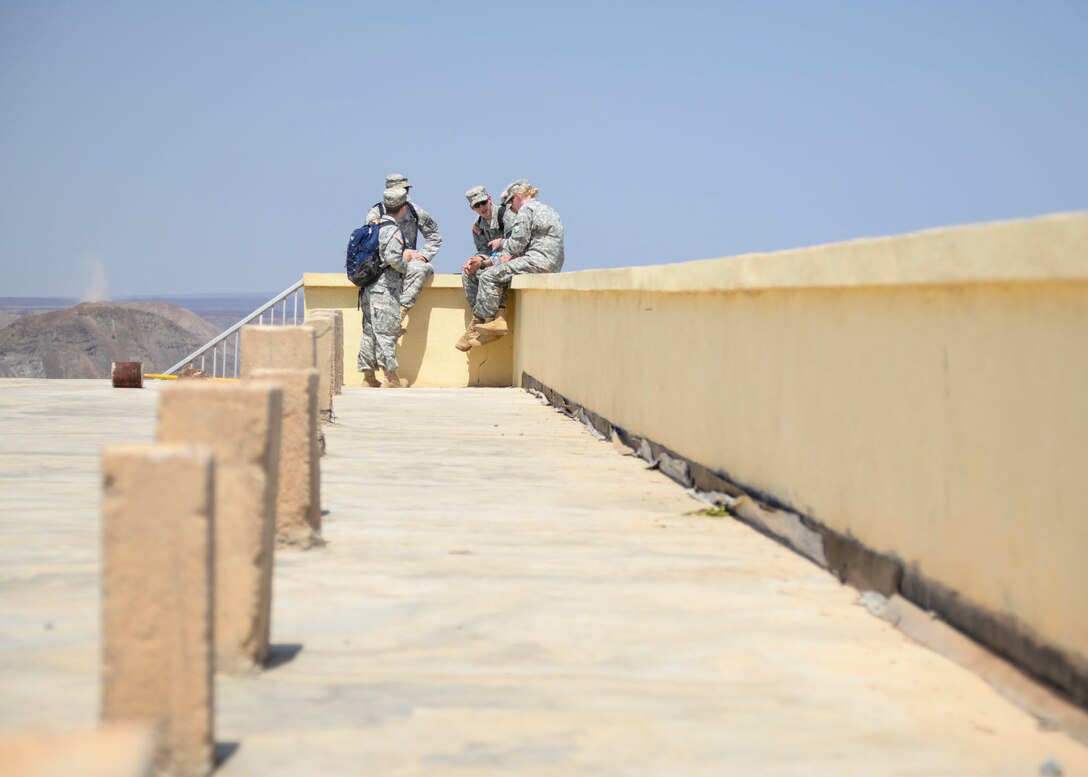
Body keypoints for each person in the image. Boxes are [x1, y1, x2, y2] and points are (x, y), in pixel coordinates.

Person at [467, 181, 564, 345]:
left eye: (511, 202)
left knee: (489, 276)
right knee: (501, 272)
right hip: (552, 261)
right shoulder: (547, 209)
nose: (511, 207)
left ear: (518, 197)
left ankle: (489, 322)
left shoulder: (526, 210)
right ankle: (494, 321)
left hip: (537, 260)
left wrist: (501, 243)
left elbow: (517, 243)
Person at [365, 173, 442, 326]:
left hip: (409, 263)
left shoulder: (414, 210)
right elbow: (370, 241)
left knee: (421, 268)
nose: (406, 193)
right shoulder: (376, 213)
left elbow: (434, 235)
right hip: (384, 263)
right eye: (402, 189)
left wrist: (423, 255)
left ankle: (399, 315)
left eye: (407, 189)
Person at [358, 187, 410, 388]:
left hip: (368, 287)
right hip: (385, 288)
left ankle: (368, 377)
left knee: (369, 331)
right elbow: (393, 259)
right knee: (386, 332)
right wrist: (406, 266)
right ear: (403, 208)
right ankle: (391, 378)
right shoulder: (392, 230)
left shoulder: (373, 226)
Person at [455, 184, 518, 351]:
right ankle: (484, 320)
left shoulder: (506, 216)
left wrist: (484, 263)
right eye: (477, 205)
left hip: (513, 257)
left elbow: (512, 249)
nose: (482, 208)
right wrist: (475, 261)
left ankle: (478, 324)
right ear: (472, 208)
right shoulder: (478, 226)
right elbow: (484, 250)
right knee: (468, 274)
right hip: (495, 260)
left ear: (489, 199)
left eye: (483, 202)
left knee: (490, 273)